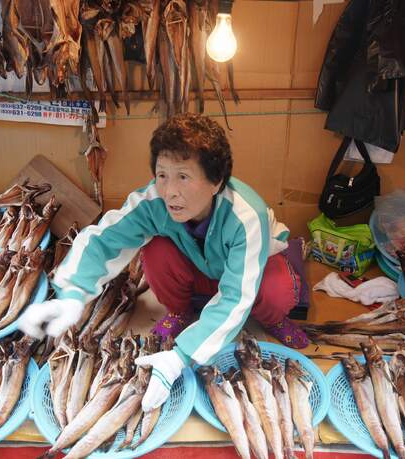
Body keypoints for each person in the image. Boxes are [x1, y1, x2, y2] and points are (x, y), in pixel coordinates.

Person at [19, 113, 308, 412]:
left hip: (252, 268)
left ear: (216, 181)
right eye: (162, 174)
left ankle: (274, 320)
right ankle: (182, 312)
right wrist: (72, 295)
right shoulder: (154, 200)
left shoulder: (246, 216)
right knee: (156, 250)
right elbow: (104, 239)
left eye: (183, 176)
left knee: (276, 293)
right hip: (201, 264)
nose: (170, 191)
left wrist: (180, 357)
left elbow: (237, 295)